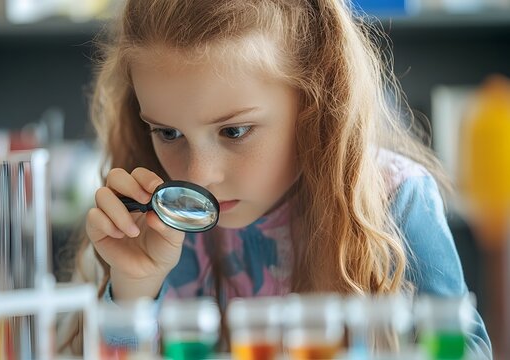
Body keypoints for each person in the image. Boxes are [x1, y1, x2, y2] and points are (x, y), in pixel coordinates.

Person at [60, 0, 492, 357]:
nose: (197, 177)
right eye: (168, 133)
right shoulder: (155, 226)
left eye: (234, 131)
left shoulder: (396, 200)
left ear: (314, 104)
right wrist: (134, 289)